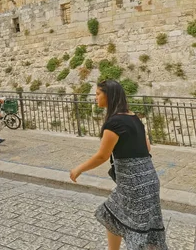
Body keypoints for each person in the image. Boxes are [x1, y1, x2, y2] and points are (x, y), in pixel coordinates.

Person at [70, 80, 167, 249]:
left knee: (139, 230)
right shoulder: (133, 117)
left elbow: (102, 156)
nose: (95, 98)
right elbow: (148, 147)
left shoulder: (114, 123)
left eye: (98, 94)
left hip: (133, 184)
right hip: (149, 179)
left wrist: (79, 169)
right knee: (111, 215)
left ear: (109, 96)